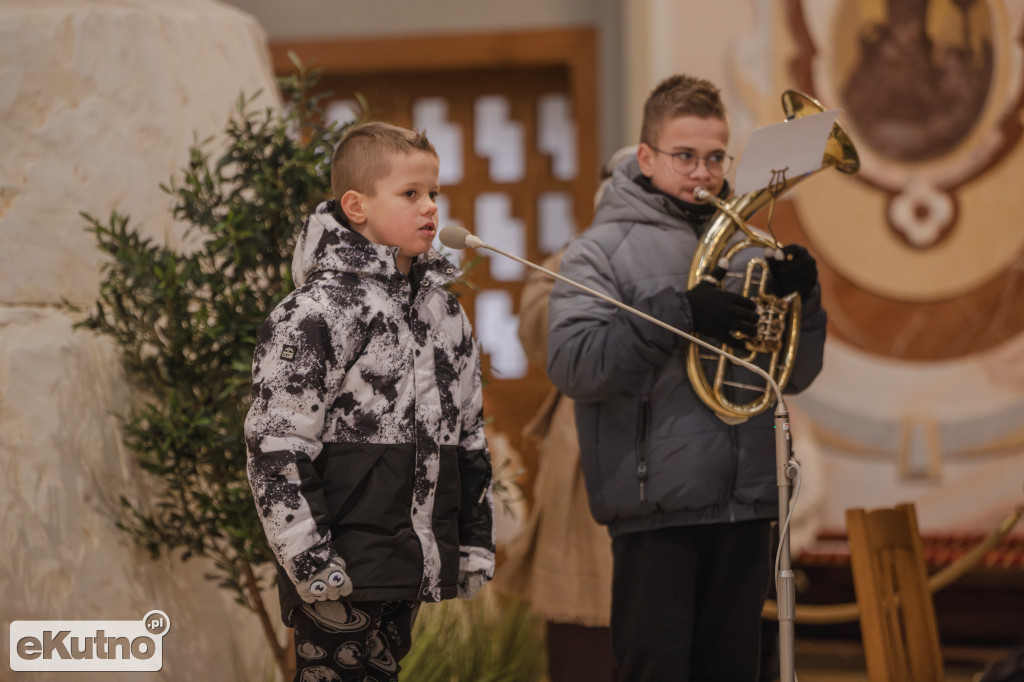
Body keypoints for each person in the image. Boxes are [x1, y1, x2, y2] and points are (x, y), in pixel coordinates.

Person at [546, 74, 827, 681]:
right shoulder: (597, 252)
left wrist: (806, 302)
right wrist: (681, 313)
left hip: (746, 506)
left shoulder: (751, 249)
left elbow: (792, 376)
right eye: (684, 157)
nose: (702, 173)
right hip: (657, 512)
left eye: (714, 157)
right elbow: (576, 364)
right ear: (646, 158)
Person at [244, 122, 495, 682]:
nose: (430, 207)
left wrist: (473, 543)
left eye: (434, 193)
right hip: (339, 567)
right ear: (355, 205)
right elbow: (274, 446)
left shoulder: (444, 314)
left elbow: (470, 437)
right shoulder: (315, 312)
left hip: (406, 563)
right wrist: (310, 560)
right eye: (410, 194)